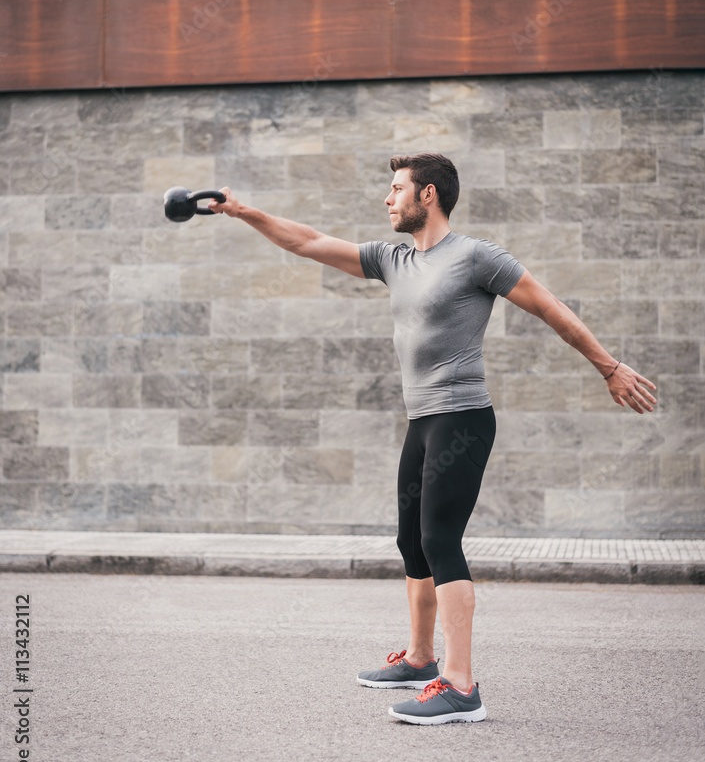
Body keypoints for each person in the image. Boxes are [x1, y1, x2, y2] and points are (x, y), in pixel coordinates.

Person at [209, 152, 657, 726]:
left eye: (397, 189)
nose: (387, 199)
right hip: (422, 421)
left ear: (428, 195)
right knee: (412, 541)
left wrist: (609, 367)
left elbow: (549, 307)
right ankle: (421, 659)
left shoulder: (476, 257)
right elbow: (309, 242)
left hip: (462, 418)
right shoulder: (393, 259)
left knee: (441, 540)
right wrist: (243, 211)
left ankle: (462, 687)